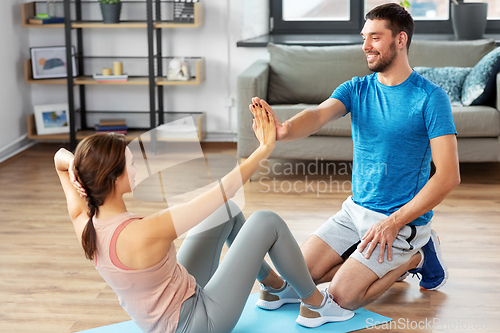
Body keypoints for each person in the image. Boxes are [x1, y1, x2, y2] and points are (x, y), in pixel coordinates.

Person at [54, 103, 354, 333]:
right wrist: (264, 148)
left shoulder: (84, 221)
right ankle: (316, 305)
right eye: (130, 164)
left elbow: (60, 158)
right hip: (197, 323)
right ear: (114, 178)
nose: (136, 168)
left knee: (226, 214)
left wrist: (77, 165)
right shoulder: (145, 232)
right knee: (266, 221)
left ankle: (275, 289)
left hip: (174, 300)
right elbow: (223, 191)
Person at [251, 3, 460, 312]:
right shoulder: (357, 88)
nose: (365, 46)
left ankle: (416, 256)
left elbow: (448, 176)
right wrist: (284, 130)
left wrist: (394, 222)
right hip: (355, 212)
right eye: (364, 37)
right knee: (297, 277)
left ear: (400, 40)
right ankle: (372, 262)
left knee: (342, 297)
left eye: (375, 37)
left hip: (401, 220)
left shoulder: (430, 97)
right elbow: (319, 114)